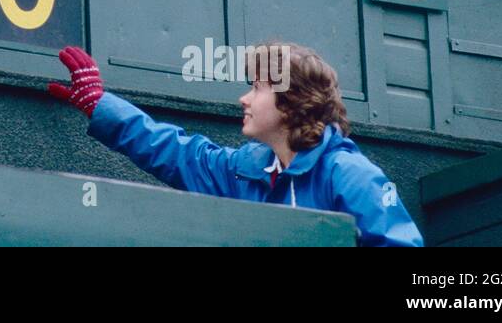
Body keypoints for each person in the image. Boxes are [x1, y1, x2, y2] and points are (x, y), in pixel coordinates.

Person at [49, 42, 424, 247]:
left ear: (292, 101)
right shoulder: (244, 172)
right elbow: (175, 151)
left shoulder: (348, 174)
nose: (244, 99)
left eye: (258, 87)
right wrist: (100, 106)